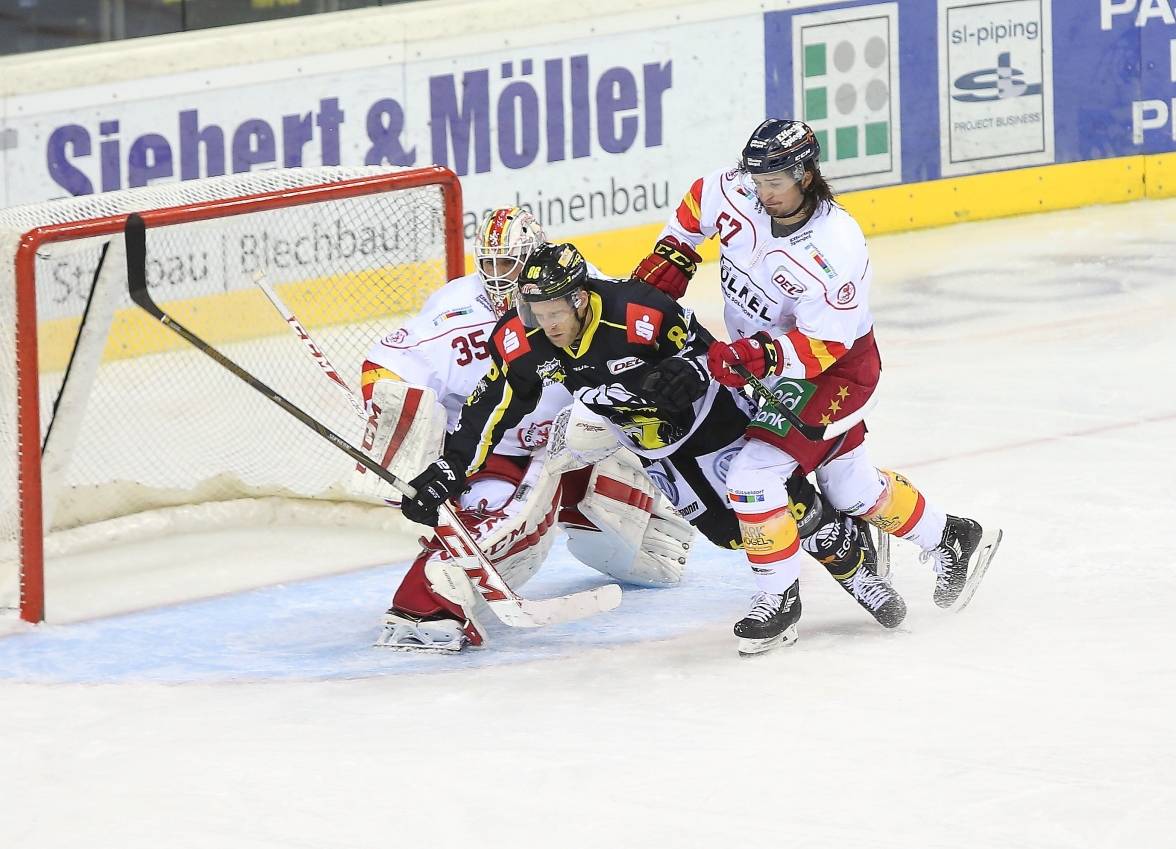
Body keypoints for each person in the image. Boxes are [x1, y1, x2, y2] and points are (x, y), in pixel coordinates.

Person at [401, 241, 906, 650]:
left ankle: (852, 566)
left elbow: (710, 351)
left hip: (711, 417)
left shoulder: (637, 310)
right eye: (535, 310)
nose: (546, 324)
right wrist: (450, 469)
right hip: (653, 445)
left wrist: (689, 369)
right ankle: (830, 543)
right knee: (731, 536)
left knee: (774, 501)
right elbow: (492, 409)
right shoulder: (524, 341)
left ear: (579, 298)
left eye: (555, 310)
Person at [632, 118, 1002, 654]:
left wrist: (756, 355)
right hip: (767, 365)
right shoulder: (739, 189)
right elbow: (695, 206)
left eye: (775, 182)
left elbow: (823, 347)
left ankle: (777, 604)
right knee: (850, 487)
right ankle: (953, 536)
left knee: (752, 477)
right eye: (757, 180)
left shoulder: (836, 246)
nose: (763, 193)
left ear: (806, 174)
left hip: (833, 375)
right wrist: (673, 257)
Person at [357, 208, 693, 651]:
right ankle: (428, 604)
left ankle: (605, 511)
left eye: (509, 263)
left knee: (648, 552)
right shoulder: (455, 311)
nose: (499, 276)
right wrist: (403, 439)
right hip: (498, 451)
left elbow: (646, 338)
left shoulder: (583, 286)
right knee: (503, 519)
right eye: (490, 263)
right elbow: (385, 366)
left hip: (577, 437)